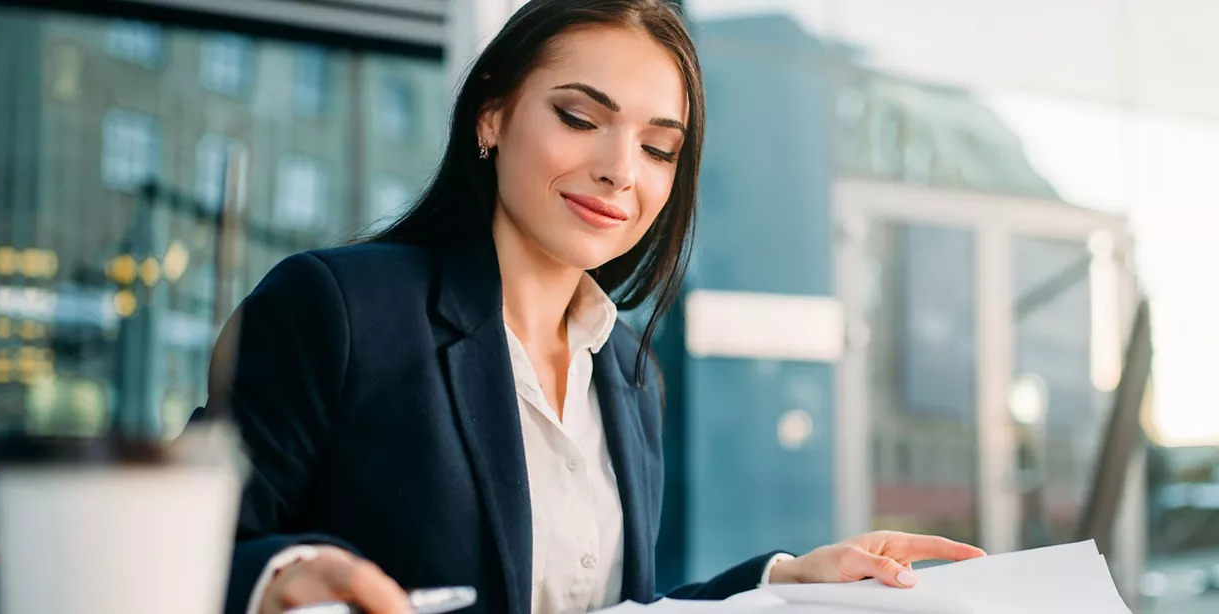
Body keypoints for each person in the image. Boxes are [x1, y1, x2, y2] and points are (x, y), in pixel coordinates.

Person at [206, 1, 986, 613]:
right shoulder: (339, 308)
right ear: (492, 116)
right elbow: (183, 546)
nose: (620, 171)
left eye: (658, 148)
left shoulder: (629, 373)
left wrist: (786, 582)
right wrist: (285, 575)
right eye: (581, 118)